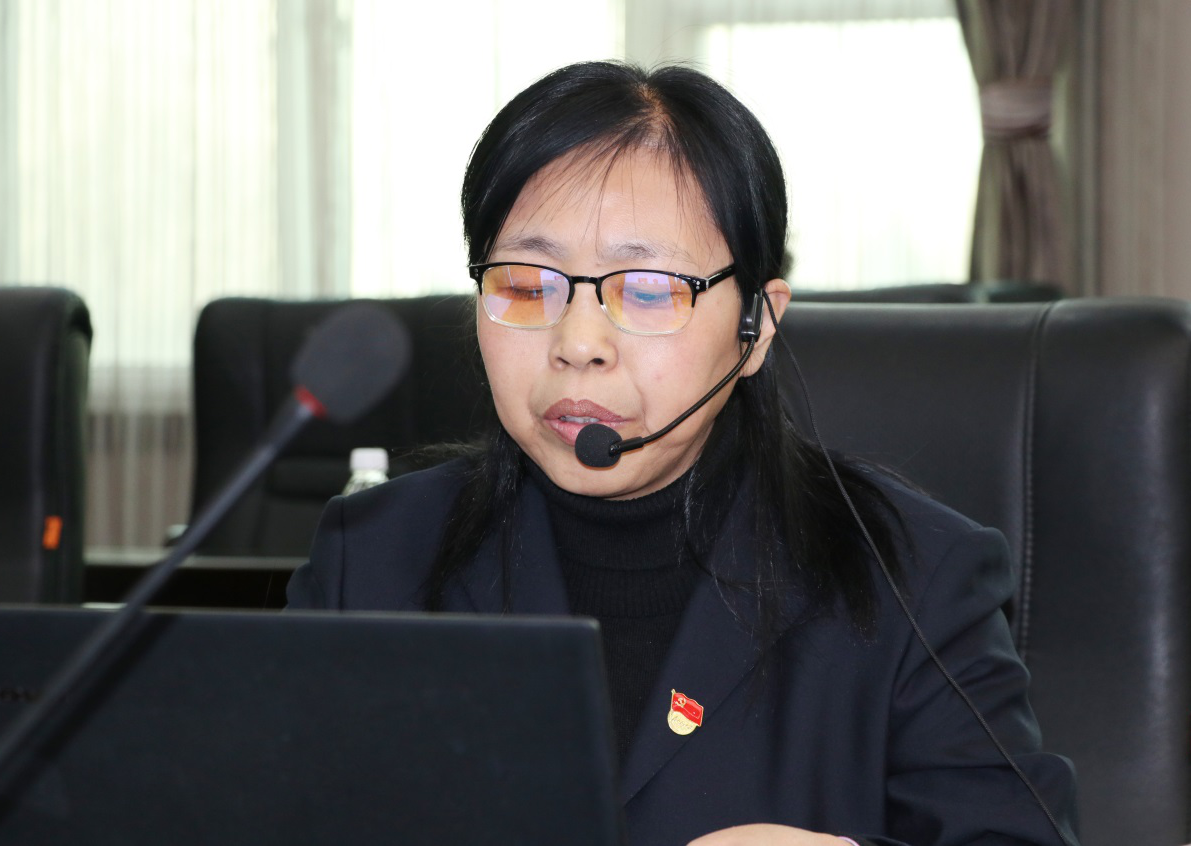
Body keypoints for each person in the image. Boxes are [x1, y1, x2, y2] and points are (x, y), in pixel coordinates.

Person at [286, 61, 1078, 846]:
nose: (578, 343)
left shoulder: (914, 577)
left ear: (756, 327)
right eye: (527, 285)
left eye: (648, 289)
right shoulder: (373, 559)